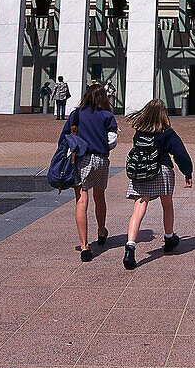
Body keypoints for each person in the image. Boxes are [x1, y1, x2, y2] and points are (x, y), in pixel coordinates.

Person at [123, 99, 193, 270]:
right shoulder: (167, 133)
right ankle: (169, 238)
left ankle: (130, 246)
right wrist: (187, 172)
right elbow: (180, 155)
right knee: (167, 205)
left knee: (138, 208)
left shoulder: (139, 132)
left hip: (143, 172)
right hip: (162, 171)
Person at [63, 84, 118, 262]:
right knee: (99, 196)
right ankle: (101, 231)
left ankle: (85, 246)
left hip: (81, 159)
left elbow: (65, 137)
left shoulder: (76, 114)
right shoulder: (107, 115)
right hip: (100, 159)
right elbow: (112, 141)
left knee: (81, 200)